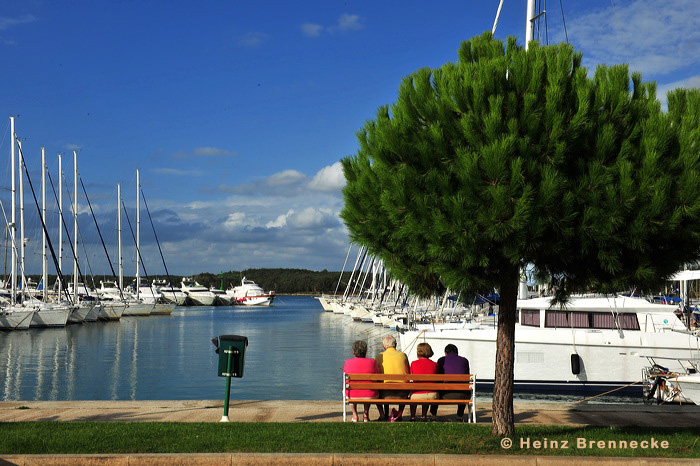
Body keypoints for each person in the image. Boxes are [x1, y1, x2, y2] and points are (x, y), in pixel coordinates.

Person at [375, 335, 410, 422]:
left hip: (385, 394)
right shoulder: (403, 355)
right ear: (396, 344)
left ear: (383, 346)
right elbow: (408, 372)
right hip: (402, 393)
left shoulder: (379, 356)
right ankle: (400, 414)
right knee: (404, 384)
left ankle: (384, 414)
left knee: (379, 385)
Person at [343, 340, 379, 422]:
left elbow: (346, 379)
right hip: (370, 395)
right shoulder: (372, 362)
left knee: (350, 388)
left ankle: (355, 415)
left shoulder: (348, 362)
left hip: (352, 396)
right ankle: (366, 414)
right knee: (368, 387)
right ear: (365, 351)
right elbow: (377, 373)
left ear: (353, 352)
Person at [436, 343, 471, 422]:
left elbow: (438, 377)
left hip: (445, 394)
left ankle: (433, 415)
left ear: (446, 353)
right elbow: (467, 377)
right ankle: (459, 416)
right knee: (463, 389)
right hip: (463, 395)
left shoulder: (441, 360)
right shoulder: (464, 360)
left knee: (436, 389)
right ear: (457, 352)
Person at [409, 342, 438, 422]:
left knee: (414, 393)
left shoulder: (414, 363)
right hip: (432, 395)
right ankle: (424, 416)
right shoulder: (434, 364)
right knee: (427, 390)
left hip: (417, 395)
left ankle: (412, 417)